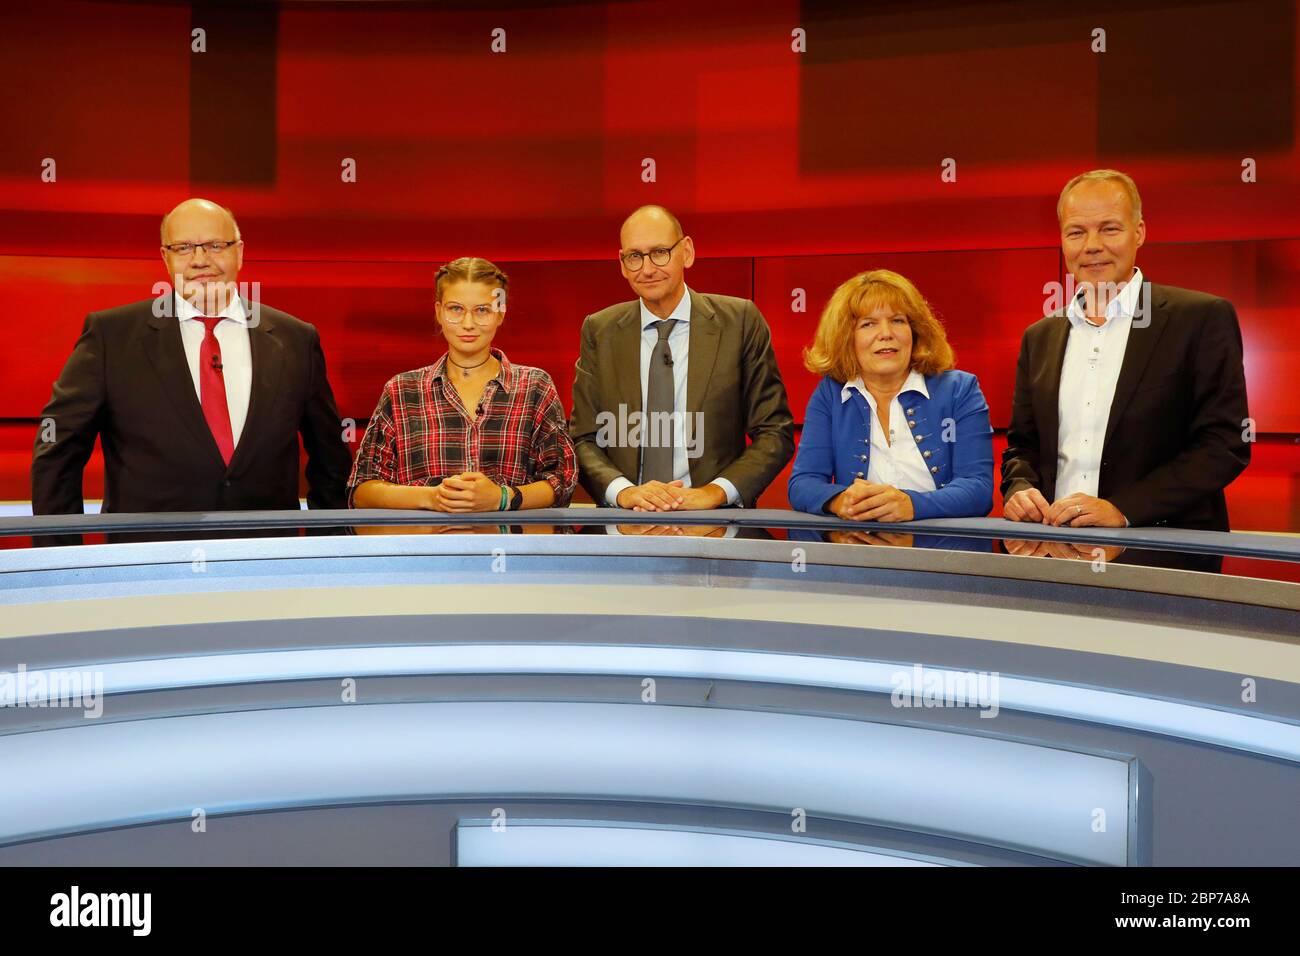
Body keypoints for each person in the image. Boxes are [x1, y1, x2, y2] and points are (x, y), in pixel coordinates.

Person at [31, 198, 352, 514]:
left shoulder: (296, 339)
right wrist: (65, 558)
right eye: (183, 248)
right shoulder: (110, 336)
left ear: (239, 252)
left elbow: (331, 461)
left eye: (215, 245)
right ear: (165, 257)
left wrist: (325, 550)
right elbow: (58, 451)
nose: (200, 260)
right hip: (149, 558)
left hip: (264, 556)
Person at [1001, 169, 1250, 533]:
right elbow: (1023, 447)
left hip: (1163, 552)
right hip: (1053, 550)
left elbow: (1224, 445)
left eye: (1109, 228)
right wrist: (1020, 489)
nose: (1092, 245)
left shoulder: (1200, 319)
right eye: (1076, 232)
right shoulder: (1039, 336)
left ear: (1140, 232)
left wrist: (1123, 510)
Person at [569, 205, 794, 510]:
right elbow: (583, 437)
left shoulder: (740, 321)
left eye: (660, 252)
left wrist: (713, 493)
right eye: (634, 256)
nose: (647, 269)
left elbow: (774, 433)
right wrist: (623, 492)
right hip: (627, 518)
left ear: (686, 251)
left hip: (714, 517)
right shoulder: (599, 330)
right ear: (622, 264)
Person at [349, 257, 577, 512]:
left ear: (501, 313)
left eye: (482, 310)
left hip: (512, 546)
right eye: (456, 309)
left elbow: (561, 481)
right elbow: (362, 489)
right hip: (425, 547)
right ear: (439, 311)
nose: (468, 324)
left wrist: (501, 498)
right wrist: (431, 498)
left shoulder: (534, 386)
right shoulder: (402, 390)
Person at [788, 269, 994, 520]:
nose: (886, 333)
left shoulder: (960, 390)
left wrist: (911, 505)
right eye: (868, 324)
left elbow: (977, 489)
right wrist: (841, 500)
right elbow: (803, 484)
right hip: (862, 548)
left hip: (941, 549)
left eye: (898, 320)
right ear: (846, 338)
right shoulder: (830, 394)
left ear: (914, 332)